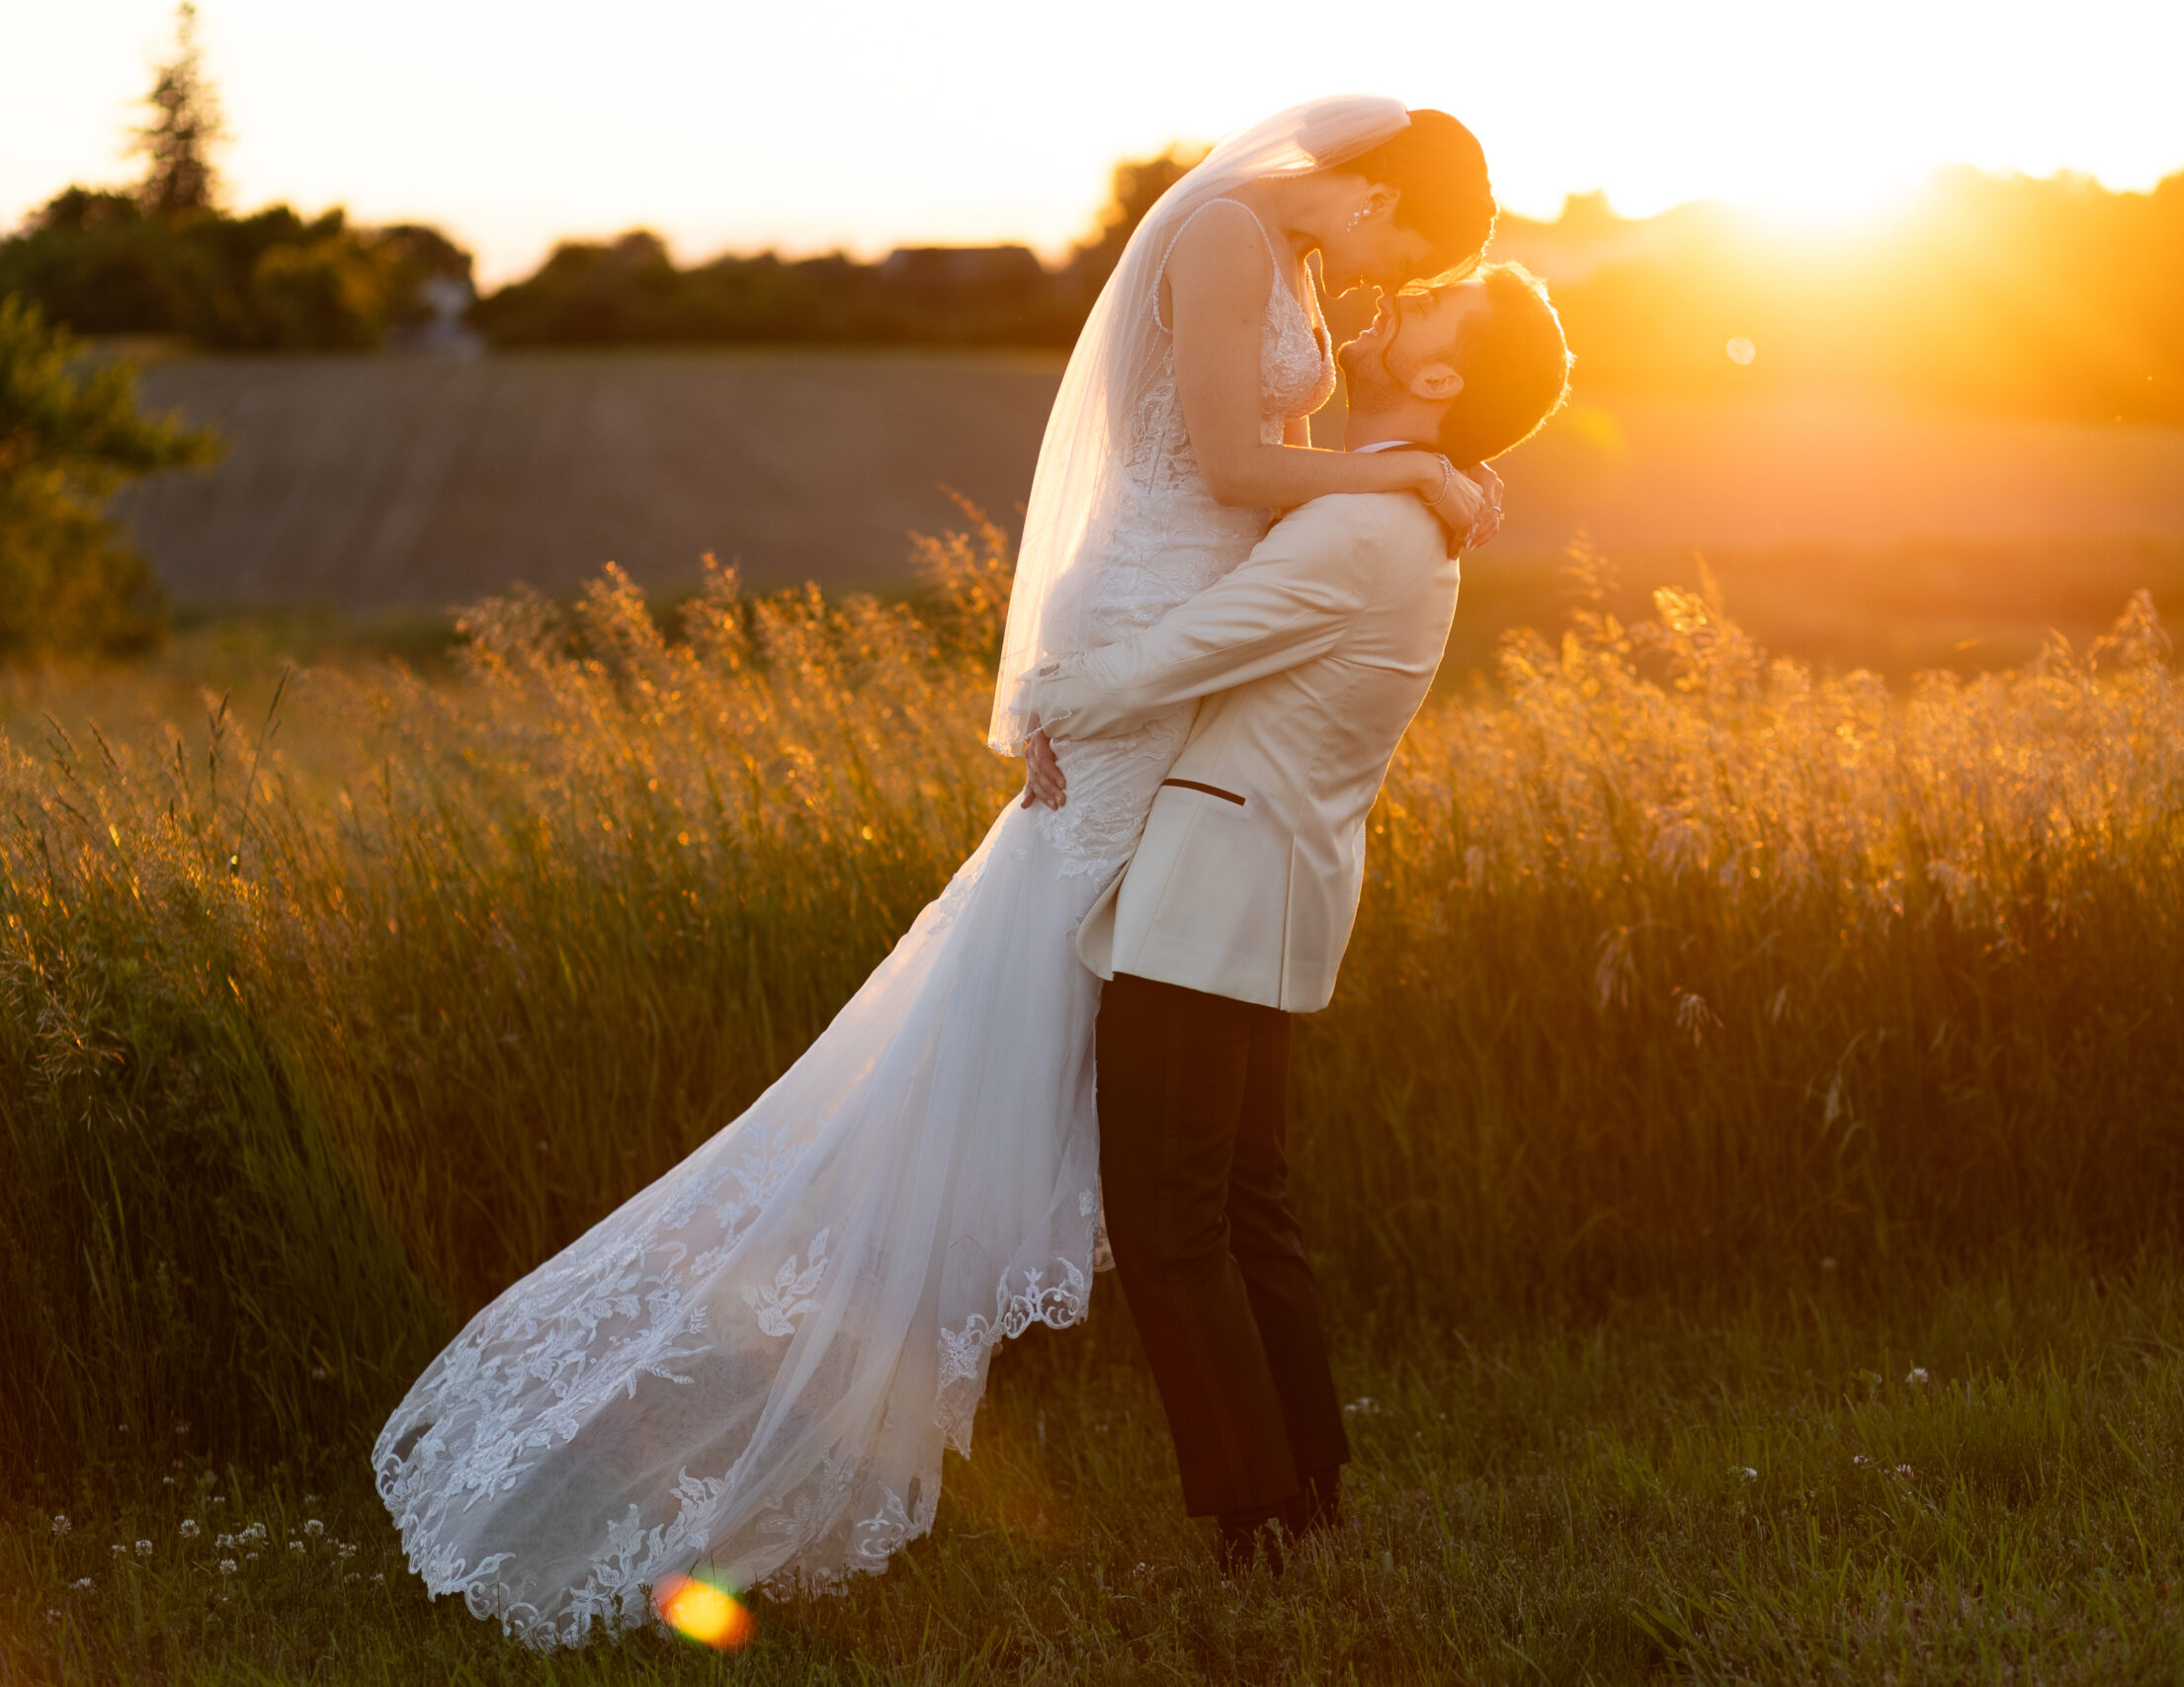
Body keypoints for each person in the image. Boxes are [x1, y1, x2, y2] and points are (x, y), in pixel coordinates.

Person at [373, 97, 1506, 1649]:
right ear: (1368, 188)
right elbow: (1239, 461)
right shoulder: (1234, 233)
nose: (1391, 280)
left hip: (1198, 638)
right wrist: (1408, 480)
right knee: (1043, 993)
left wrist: (1403, 480)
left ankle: (1231, 1463)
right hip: (1154, 616)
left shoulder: (1297, 270)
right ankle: (831, 1326)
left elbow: (1274, 487)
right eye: (1408, 242)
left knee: (1086, 1040)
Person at [1020, 260, 1573, 1570]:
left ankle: (1252, 1525)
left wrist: (1055, 700)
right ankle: (1302, 1494)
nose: (1402, 297)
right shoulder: (1399, 513)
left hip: (1215, 893)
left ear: (1439, 379)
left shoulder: (1367, 530)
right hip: (1264, 886)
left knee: (1169, 1216)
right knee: (1244, 1208)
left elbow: (1190, 655)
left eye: (1432, 306)